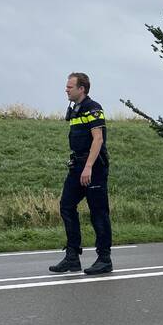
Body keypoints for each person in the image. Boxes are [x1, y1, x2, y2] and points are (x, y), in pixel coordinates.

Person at [49, 72, 113, 275]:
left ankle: (104, 259)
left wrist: (88, 167)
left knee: (98, 213)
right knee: (66, 206)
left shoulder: (93, 108)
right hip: (77, 165)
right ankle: (72, 257)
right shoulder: (75, 110)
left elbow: (98, 139)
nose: (66, 90)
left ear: (81, 89)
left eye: (70, 87)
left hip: (93, 167)